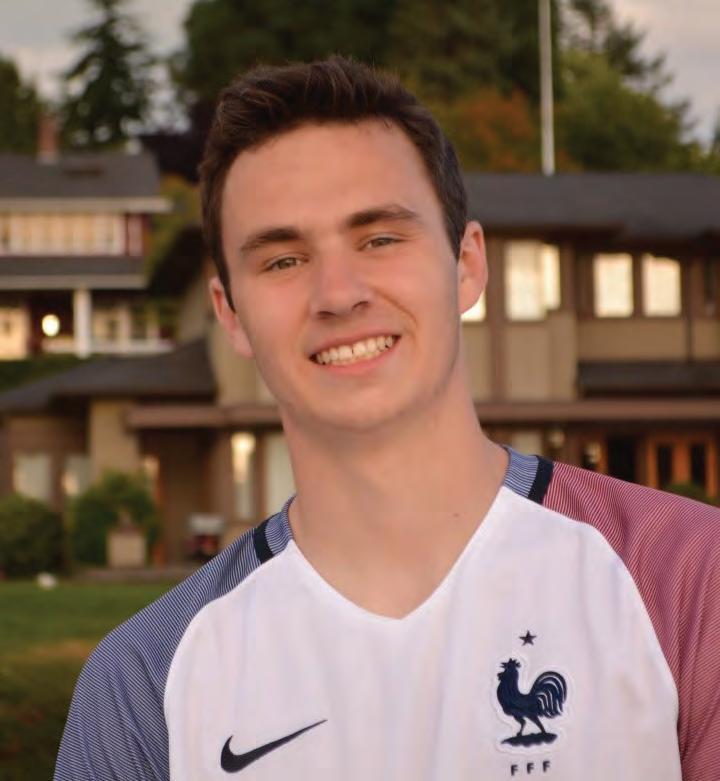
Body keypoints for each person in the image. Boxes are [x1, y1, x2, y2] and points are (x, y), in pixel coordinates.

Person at [55, 57, 719, 781]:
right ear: (231, 313)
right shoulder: (144, 682)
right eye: (282, 260)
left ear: (467, 264)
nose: (339, 294)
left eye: (379, 239)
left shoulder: (687, 578)